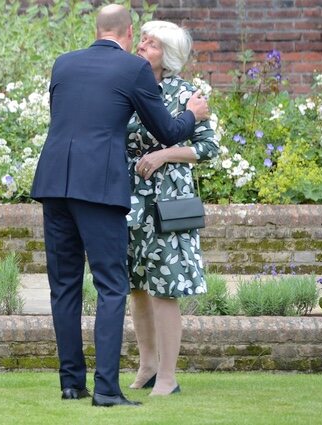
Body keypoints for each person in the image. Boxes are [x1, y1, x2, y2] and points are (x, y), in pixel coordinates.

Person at [30, 4, 210, 407]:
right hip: (98, 187)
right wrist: (191, 115)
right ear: (128, 32)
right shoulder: (133, 69)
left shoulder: (64, 64)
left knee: (64, 287)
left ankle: (72, 383)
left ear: (97, 29)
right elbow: (166, 130)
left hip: (54, 182)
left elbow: (69, 119)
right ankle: (107, 389)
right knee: (112, 286)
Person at [126, 21, 219, 396]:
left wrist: (165, 154)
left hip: (168, 202)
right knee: (136, 287)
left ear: (170, 57)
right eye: (143, 39)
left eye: (153, 43)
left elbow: (208, 148)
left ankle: (168, 376)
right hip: (130, 199)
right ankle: (147, 365)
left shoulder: (186, 94)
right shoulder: (128, 88)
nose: (143, 45)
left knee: (165, 288)